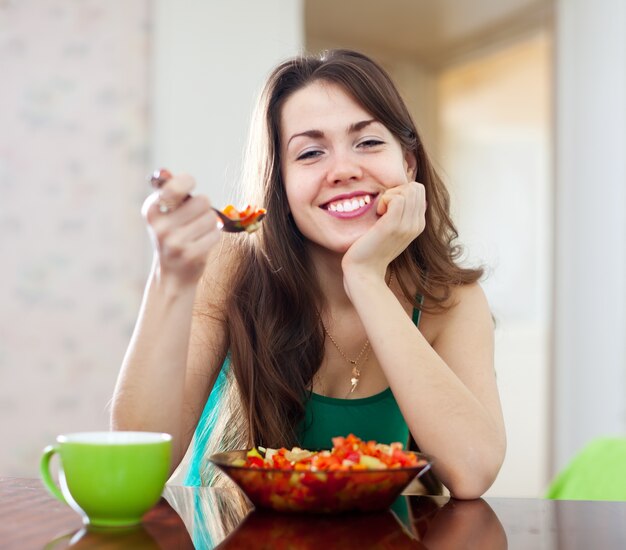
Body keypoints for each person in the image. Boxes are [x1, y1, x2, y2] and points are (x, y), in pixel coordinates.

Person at [110, 49, 506, 499]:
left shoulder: (452, 301)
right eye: (311, 152)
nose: (343, 170)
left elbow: (473, 472)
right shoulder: (230, 268)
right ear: (279, 184)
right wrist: (170, 277)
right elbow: (135, 460)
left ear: (408, 165)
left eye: (369, 142)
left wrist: (366, 278)